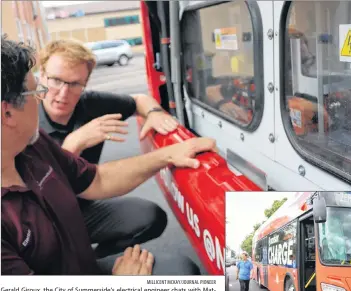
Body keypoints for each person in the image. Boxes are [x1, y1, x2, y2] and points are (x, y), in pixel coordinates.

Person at [1, 36, 216, 275]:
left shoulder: (33, 144)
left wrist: (168, 155)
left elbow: (97, 179)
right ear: (7, 113)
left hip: (74, 248)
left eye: (74, 84)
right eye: (36, 91)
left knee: (181, 271)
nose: (57, 94)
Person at [36, 39, 180, 259]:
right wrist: (74, 144)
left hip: (81, 209)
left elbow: (139, 100)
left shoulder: (90, 104)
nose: (63, 93)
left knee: (150, 216)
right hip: (41, 219)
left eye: (75, 84)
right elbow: (36, 191)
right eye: (56, 80)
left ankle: (97, 262)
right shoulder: (23, 119)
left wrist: (154, 113)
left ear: (85, 83)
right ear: (42, 75)